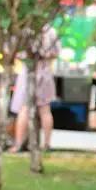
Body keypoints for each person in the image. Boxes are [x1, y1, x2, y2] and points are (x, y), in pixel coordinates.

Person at [11, 24, 60, 152]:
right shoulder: (51, 31)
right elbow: (56, 53)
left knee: (24, 108)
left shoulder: (25, 30)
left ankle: (18, 144)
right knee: (45, 109)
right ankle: (47, 144)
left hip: (28, 70)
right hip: (45, 71)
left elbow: (15, 52)